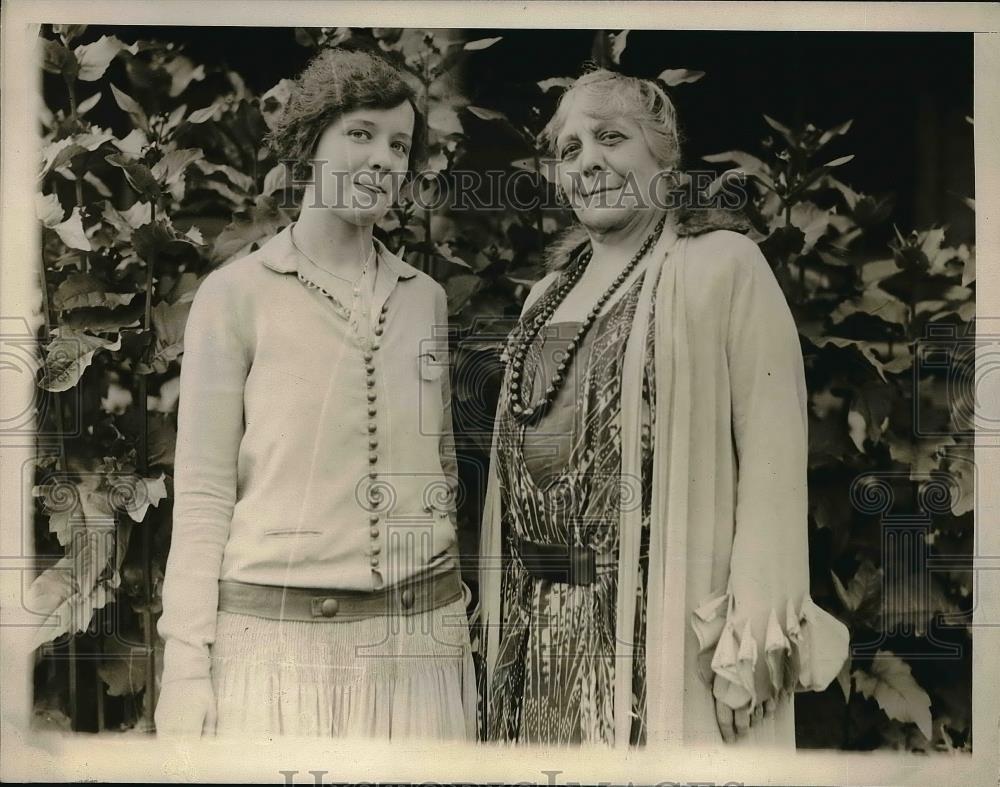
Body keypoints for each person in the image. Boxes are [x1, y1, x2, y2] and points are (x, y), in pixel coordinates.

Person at [478, 68, 850, 747]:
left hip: (664, 634)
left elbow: (773, 458)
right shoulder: (543, 300)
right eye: (570, 149)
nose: (589, 160)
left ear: (664, 153)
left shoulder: (723, 267)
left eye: (610, 138)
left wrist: (751, 642)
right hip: (538, 644)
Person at [154, 48, 475, 740]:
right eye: (360, 133)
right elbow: (205, 492)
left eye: (399, 144)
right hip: (275, 655)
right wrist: (185, 664)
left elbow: (440, 464)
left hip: (419, 651)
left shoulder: (426, 300)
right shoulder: (234, 295)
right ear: (309, 143)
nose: (384, 159)